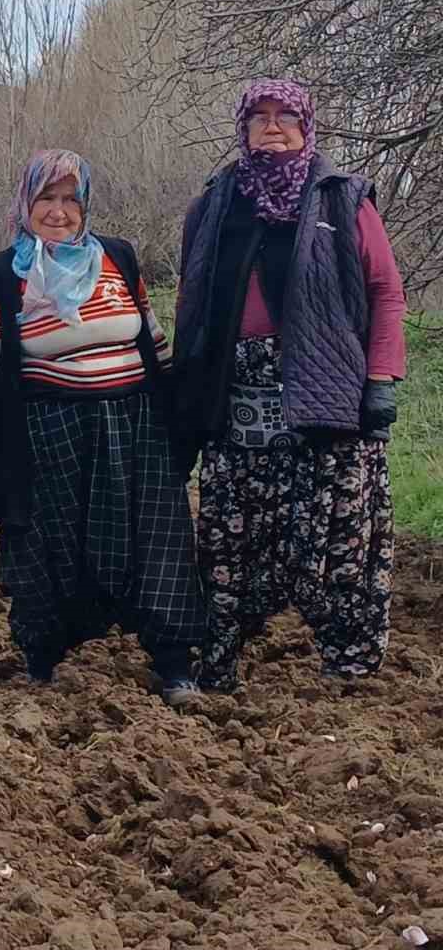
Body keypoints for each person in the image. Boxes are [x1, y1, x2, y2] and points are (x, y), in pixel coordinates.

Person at [0, 150, 205, 705]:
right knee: (50, 544)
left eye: (71, 199)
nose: (59, 211)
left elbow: (152, 342)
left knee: (159, 539)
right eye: (47, 198)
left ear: (86, 206)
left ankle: (174, 663)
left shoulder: (118, 257)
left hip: (135, 424)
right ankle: (44, 660)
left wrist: (182, 413)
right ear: (26, 204)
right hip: (49, 430)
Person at [173, 80, 406, 690]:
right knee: (228, 543)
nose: (272, 127)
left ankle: (348, 669)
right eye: (259, 117)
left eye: (285, 117)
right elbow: (193, 298)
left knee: (337, 542)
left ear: (306, 127)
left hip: (325, 394)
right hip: (236, 396)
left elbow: (385, 291)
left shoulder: (341, 199)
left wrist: (380, 376)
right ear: (243, 127)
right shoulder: (217, 201)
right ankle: (216, 664)